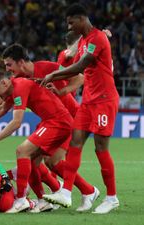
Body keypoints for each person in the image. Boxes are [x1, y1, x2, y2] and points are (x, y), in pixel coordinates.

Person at [40, 3, 120, 214]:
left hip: (104, 100)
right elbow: (70, 69)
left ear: (81, 19)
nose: (69, 27)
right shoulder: (84, 41)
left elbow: (81, 66)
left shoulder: (97, 39)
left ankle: (112, 197)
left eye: (70, 22)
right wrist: (53, 75)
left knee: (100, 148)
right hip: (88, 101)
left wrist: (53, 75)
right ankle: (66, 191)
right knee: (75, 143)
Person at [0, 43, 98, 212]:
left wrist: (62, 92)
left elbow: (80, 78)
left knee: (49, 161)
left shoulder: (46, 67)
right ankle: (54, 195)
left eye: (9, 64)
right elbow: (0, 102)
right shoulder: (21, 80)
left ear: (20, 62)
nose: (8, 70)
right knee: (33, 160)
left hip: (70, 118)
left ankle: (80, 191)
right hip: (52, 120)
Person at [0, 68, 73, 213]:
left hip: (58, 121)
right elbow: (2, 110)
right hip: (52, 121)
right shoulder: (11, 89)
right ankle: (43, 200)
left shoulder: (19, 87)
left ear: (4, 82)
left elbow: (16, 122)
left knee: (22, 151)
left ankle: (20, 200)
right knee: (31, 160)